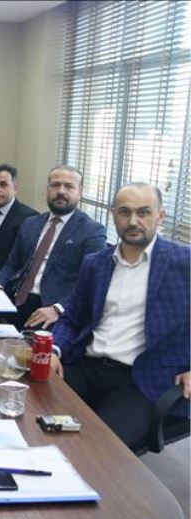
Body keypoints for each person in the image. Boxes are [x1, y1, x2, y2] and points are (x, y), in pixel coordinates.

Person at [50, 183, 189, 449]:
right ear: (113, 214)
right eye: (125, 212)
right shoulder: (95, 263)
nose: (133, 221)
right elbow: (72, 318)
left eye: (143, 212)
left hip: (138, 381)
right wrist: (54, 350)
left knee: (98, 450)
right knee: (29, 409)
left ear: (160, 216)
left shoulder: (184, 263)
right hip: (84, 366)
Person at [0, 165, 107, 329]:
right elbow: (12, 263)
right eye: (55, 185)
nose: (60, 191)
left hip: (51, 310)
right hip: (14, 299)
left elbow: (91, 281)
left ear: (80, 191)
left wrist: (58, 308)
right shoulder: (31, 223)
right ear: (47, 189)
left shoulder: (92, 230)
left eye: (69, 186)